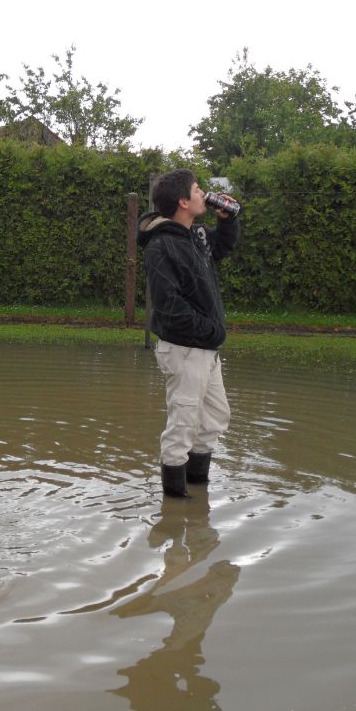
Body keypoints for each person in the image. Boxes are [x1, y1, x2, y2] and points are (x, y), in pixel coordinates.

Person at [137, 169, 239, 498]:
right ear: (183, 201)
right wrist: (211, 330)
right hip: (184, 350)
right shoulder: (160, 246)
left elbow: (222, 247)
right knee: (182, 426)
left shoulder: (196, 235)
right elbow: (169, 307)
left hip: (205, 348)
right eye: (196, 189)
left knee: (214, 418)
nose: (203, 194)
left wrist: (228, 220)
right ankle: (175, 507)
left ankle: (198, 496)